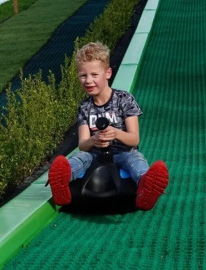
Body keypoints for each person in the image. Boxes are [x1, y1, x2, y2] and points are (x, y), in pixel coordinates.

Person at [48, 41, 169, 211]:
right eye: (83, 75)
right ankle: (62, 181)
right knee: (78, 159)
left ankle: (146, 185)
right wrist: (95, 139)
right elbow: (83, 144)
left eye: (94, 75)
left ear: (108, 73)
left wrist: (116, 134)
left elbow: (134, 139)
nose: (88, 81)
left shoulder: (124, 99)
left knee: (136, 160)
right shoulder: (85, 107)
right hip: (95, 156)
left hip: (124, 152)